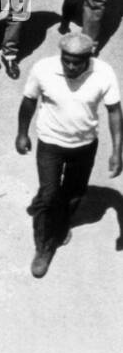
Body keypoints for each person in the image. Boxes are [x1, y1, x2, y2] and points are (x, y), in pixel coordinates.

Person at [16, 30, 122, 278]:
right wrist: (22, 133)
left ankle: (61, 227)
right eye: (67, 60)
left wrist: (117, 151)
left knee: (73, 196)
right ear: (60, 55)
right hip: (50, 143)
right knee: (49, 196)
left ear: (89, 58)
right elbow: (29, 100)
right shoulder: (43, 69)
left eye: (77, 62)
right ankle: (44, 247)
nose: (71, 67)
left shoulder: (103, 73)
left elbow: (114, 110)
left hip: (84, 144)